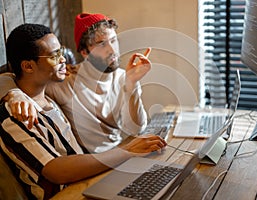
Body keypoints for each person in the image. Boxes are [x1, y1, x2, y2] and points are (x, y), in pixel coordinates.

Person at [0, 23, 166, 200]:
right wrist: (127, 152)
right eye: (54, 55)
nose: (63, 59)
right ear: (28, 66)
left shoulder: (48, 98)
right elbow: (56, 171)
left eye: (61, 51)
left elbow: (135, 127)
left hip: (90, 180)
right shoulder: (19, 111)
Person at [0, 13, 151, 153]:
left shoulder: (124, 77)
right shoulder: (64, 80)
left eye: (113, 40)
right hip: (92, 162)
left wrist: (132, 84)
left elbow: (136, 129)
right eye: (102, 44)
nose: (112, 50)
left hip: (121, 151)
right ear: (84, 52)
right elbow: (10, 77)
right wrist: (15, 94)